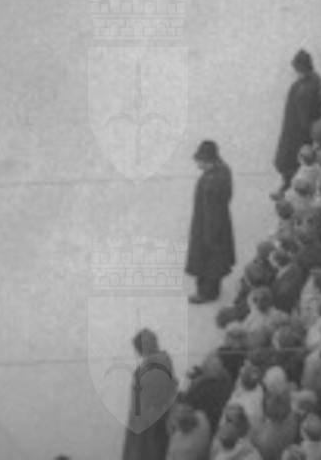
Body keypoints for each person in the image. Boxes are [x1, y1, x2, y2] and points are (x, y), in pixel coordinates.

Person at [187, 139, 235, 304]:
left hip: (207, 228)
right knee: (216, 261)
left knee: (208, 262)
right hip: (219, 223)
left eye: (200, 160)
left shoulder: (211, 183)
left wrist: (210, 237)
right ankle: (211, 290)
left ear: (207, 160)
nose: (197, 164)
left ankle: (206, 293)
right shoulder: (223, 170)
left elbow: (211, 214)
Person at [123, 326, 178, 459]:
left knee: (148, 452)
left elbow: (159, 395)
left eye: (150, 340)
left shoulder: (158, 362)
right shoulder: (155, 362)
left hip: (150, 421)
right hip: (144, 420)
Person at [274, 49, 321, 194]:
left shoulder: (302, 89)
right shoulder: (315, 80)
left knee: (290, 160)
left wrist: (306, 134)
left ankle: (289, 186)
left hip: (296, 131)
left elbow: (304, 119)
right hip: (301, 127)